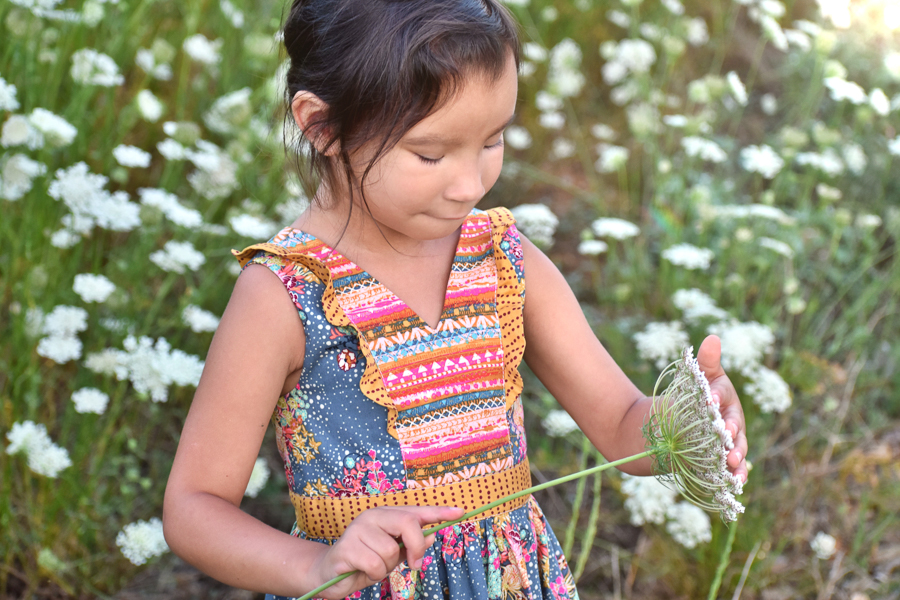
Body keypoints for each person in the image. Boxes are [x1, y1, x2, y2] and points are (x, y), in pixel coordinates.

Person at [162, 0, 749, 598]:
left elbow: (623, 427)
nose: (470, 185)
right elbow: (194, 507)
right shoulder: (287, 294)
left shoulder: (503, 261)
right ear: (323, 126)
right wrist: (312, 568)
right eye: (431, 154)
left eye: (492, 141)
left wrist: (689, 423)